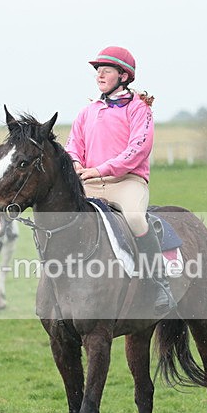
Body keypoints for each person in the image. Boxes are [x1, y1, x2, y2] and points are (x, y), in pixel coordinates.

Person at [64, 45, 175, 314]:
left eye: (106, 71)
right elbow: (72, 146)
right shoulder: (86, 112)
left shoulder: (139, 109)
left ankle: (158, 284)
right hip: (89, 182)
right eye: (97, 72)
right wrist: (76, 163)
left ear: (123, 75)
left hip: (126, 182)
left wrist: (101, 169)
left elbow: (139, 148)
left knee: (136, 219)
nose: (99, 76)